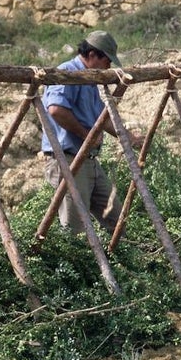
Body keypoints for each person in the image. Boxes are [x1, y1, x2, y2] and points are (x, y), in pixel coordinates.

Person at [40, 30, 130, 235]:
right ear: (92, 55)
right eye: (107, 61)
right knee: (74, 229)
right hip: (68, 160)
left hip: (89, 160)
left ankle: (121, 263)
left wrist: (128, 137)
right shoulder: (68, 73)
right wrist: (86, 135)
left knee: (116, 221)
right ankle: (76, 266)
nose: (109, 67)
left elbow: (101, 121)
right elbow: (55, 109)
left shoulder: (91, 79)